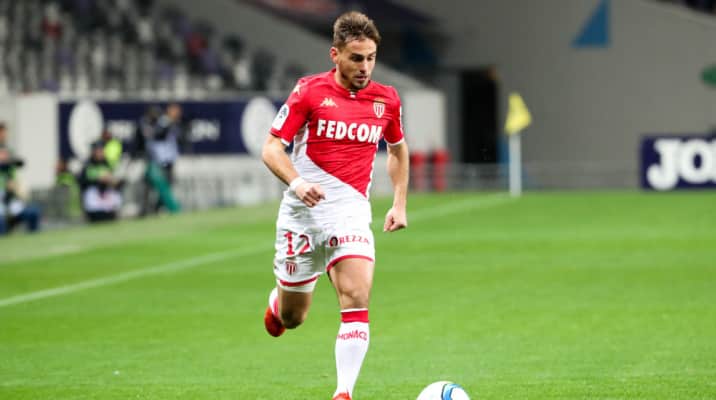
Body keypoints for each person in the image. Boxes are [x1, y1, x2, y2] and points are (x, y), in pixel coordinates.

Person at [261, 11, 410, 400]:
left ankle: (343, 392)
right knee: (293, 317)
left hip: (350, 213)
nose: (365, 67)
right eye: (356, 58)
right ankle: (278, 302)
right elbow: (271, 148)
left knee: (357, 297)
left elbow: (397, 149)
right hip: (303, 216)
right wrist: (297, 183)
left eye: (371, 58)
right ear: (335, 54)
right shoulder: (308, 92)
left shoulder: (387, 99)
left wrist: (399, 203)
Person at [78, 141, 123, 223]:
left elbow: (114, 181)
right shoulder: (88, 165)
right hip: (94, 196)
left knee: (114, 194)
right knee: (91, 193)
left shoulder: (106, 164)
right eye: (98, 151)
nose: (100, 153)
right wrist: (98, 180)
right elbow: (82, 182)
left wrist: (113, 181)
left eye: (101, 151)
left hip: (106, 193)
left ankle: (112, 213)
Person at [0, 147, 40, 235]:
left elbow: (21, 163)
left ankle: (33, 236)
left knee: (33, 212)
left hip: (15, 207)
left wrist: (15, 190)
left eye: (5, 155)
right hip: (2, 209)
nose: (3, 158)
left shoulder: (11, 170)